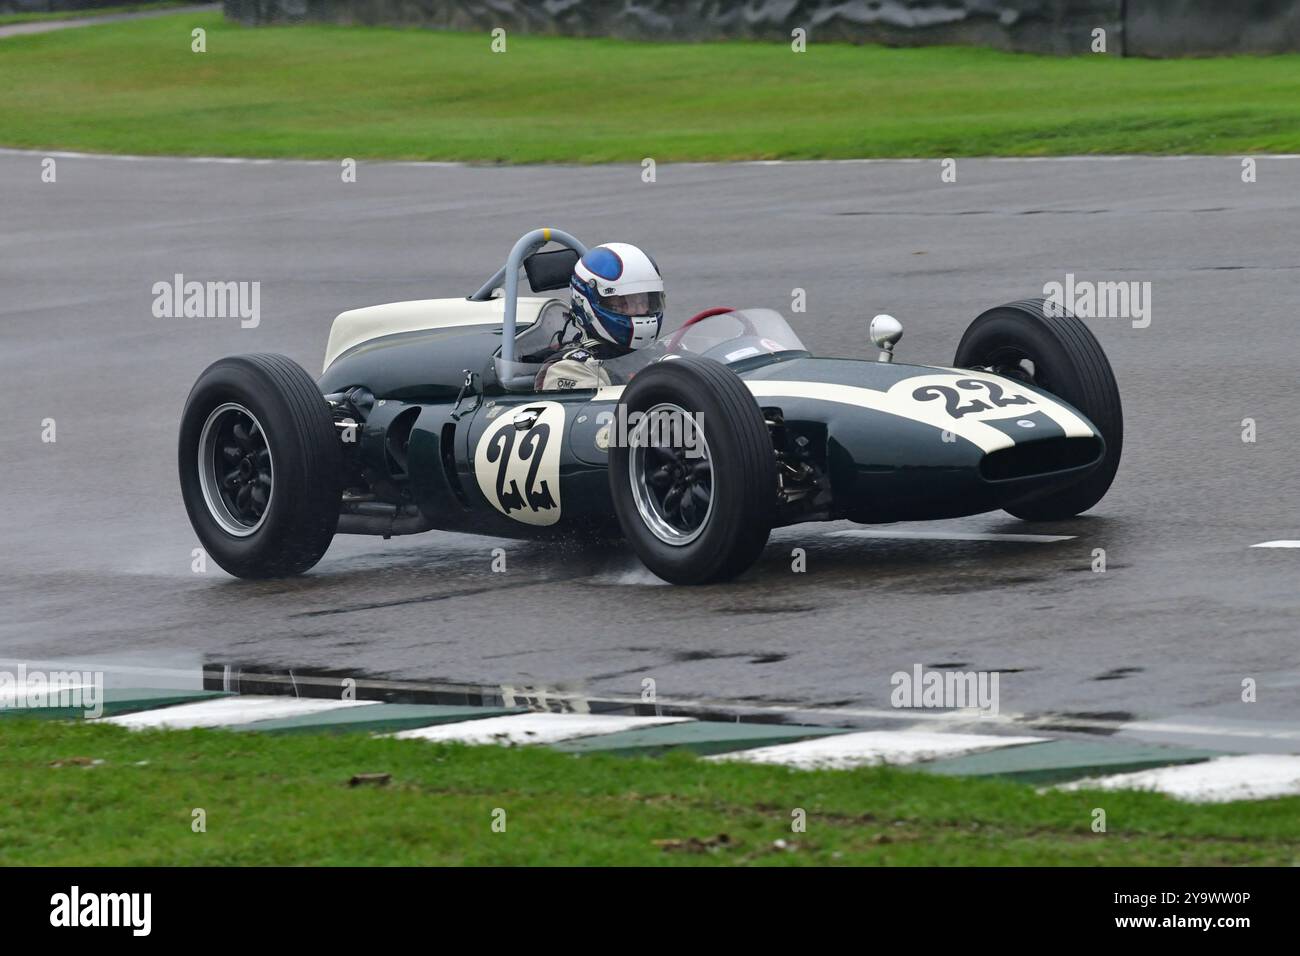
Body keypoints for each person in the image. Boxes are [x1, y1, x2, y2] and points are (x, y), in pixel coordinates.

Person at [535, 242, 665, 390]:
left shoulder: (664, 351)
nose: (642, 310)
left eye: (646, 301)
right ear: (587, 303)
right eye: (625, 303)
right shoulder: (571, 369)